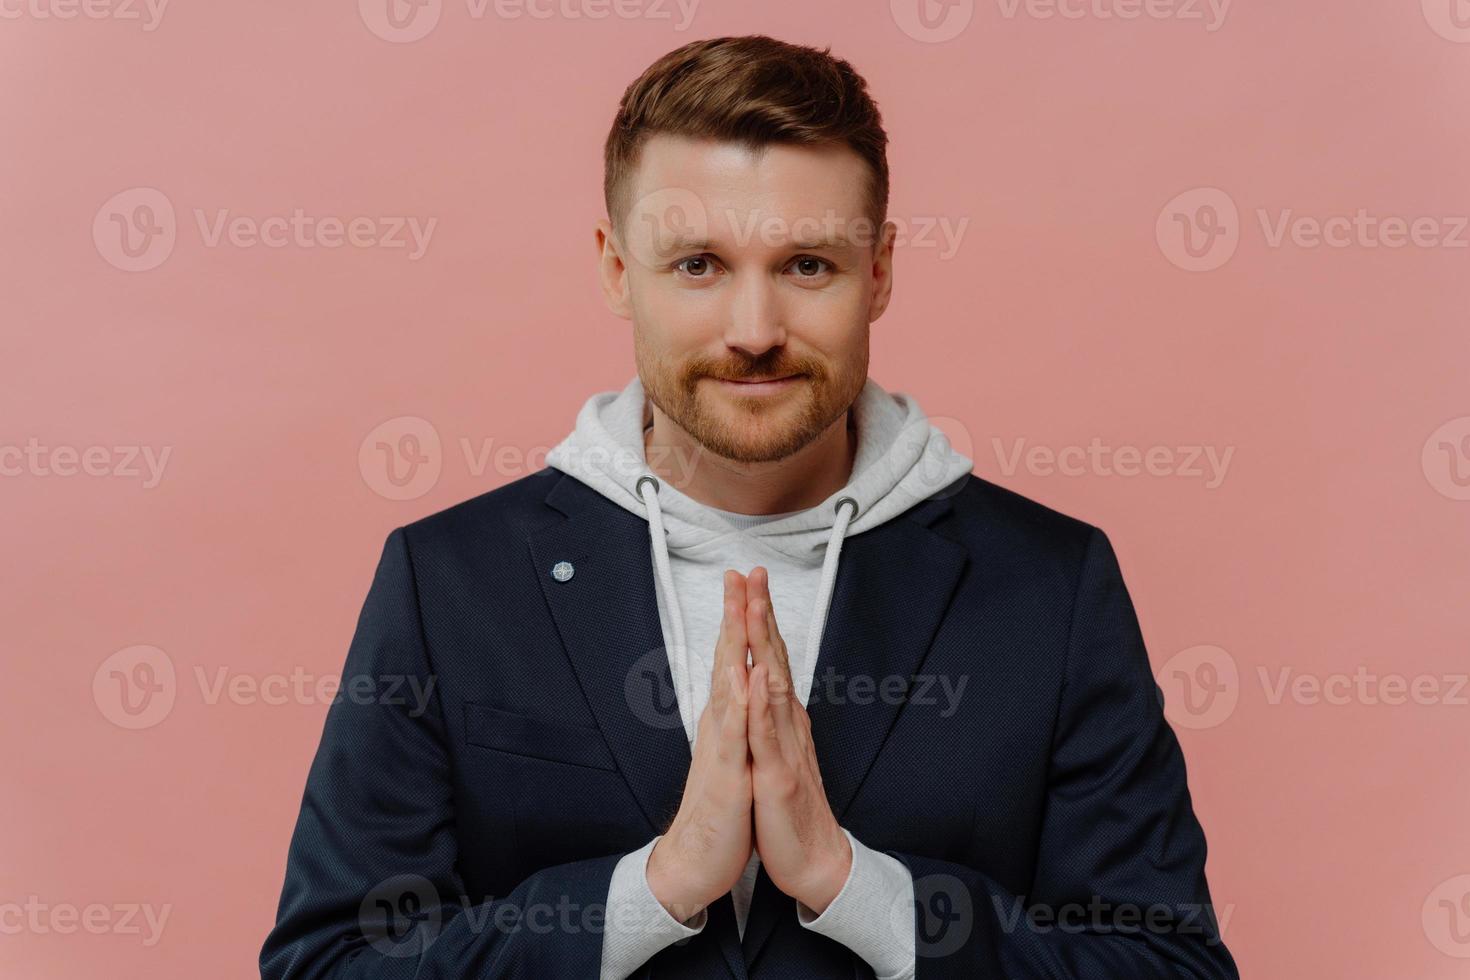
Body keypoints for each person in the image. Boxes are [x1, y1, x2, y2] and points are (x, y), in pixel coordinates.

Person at [260, 34, 1239, 980]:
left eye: (808, 264)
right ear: (614, 268)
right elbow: (330, 961)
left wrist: (855, 885)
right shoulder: (449, 581)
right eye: (698, 264)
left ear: (881, 271)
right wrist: (656, 887)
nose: (756, 330)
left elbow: (1166, 963)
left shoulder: (1051, 586)